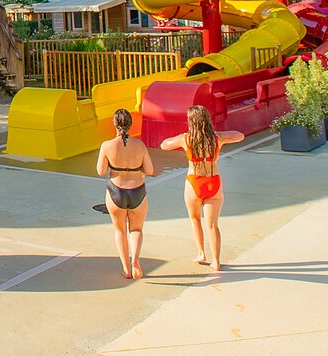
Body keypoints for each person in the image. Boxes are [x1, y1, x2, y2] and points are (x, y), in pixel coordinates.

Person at [160, 105, 244, 271]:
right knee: (213, 225)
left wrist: (180, 137)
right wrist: (222, 135)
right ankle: (216, 261)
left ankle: (201, 253)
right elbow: (240, 136)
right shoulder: (217, 138)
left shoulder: (186, 139)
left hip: (194, 182)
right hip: (213, 181)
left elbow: (164, 145)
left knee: (195, 219)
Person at [96, 108, 155, 280]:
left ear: (114, 124)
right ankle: (135, 260)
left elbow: (100, 171)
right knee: (136, 229)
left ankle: (126, 268)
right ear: (130, 125)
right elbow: (149, 170)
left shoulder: (107, 146)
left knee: (120, 231)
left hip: (116, 191)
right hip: (138, 191)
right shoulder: (140, 145)